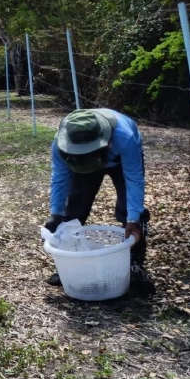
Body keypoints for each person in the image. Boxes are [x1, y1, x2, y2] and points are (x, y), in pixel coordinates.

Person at [44, 108, 154, 295]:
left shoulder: (125, 138)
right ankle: (70, 266)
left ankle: (136, 267)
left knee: (129, 210)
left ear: (108, 143)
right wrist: (56, 213)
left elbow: (134, 179)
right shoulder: (61, 144)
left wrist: (133, 218)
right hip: (83, 161)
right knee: (75, 209)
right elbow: (60, 178)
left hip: (120, 162)